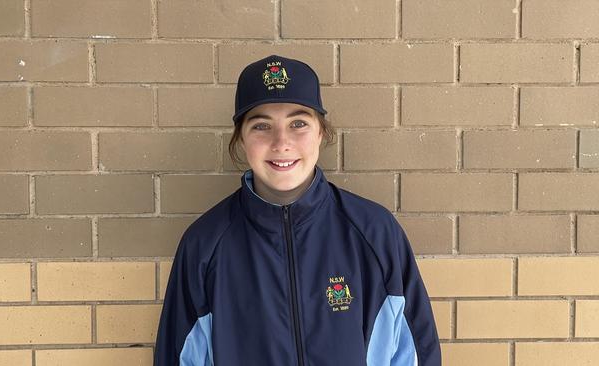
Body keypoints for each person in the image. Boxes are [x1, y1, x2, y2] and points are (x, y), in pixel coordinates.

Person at [154, 55, 441, 365]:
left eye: (299, 123)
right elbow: (178, 357)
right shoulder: (205, 244)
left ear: (321, 132)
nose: (282, 142)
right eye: (261, 125)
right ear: (241, 140)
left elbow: (413, 352)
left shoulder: (374, 232)